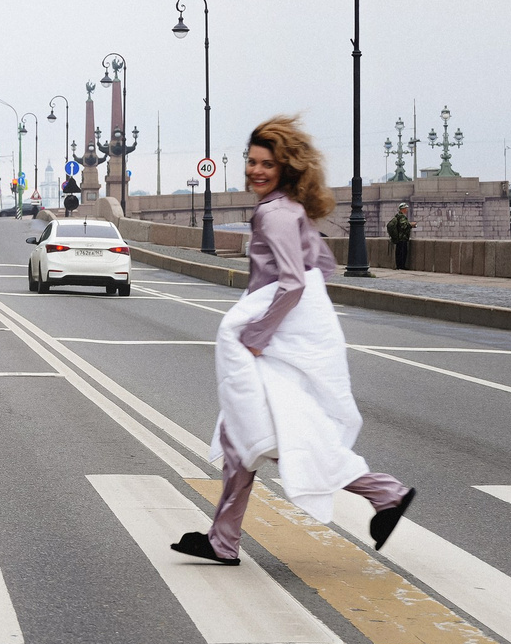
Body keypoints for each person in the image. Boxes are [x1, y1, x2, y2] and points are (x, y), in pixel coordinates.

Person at [172, 115, 416, 565]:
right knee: (249, 434)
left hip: (274, 342)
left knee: (270, 436)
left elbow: (293, 283)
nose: (255, 171)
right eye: (251, 162)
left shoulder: (273, 214)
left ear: (284, 167)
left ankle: (386, 492)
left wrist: (257, 334)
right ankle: (223, 538)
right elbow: (320, 267)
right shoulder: (290, 210)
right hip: (287, 337)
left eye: (266, 163)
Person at [386, 202, 414, 270]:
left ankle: (398, 266)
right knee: (402, 253)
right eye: (406, 208)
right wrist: (411, 225)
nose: (406, 210)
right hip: (402, 238)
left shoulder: (397, 216)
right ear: (403, 209)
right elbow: (403, 226)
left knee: (398, 252)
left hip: (398, 237)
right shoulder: (402, 217)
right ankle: (401, 266)